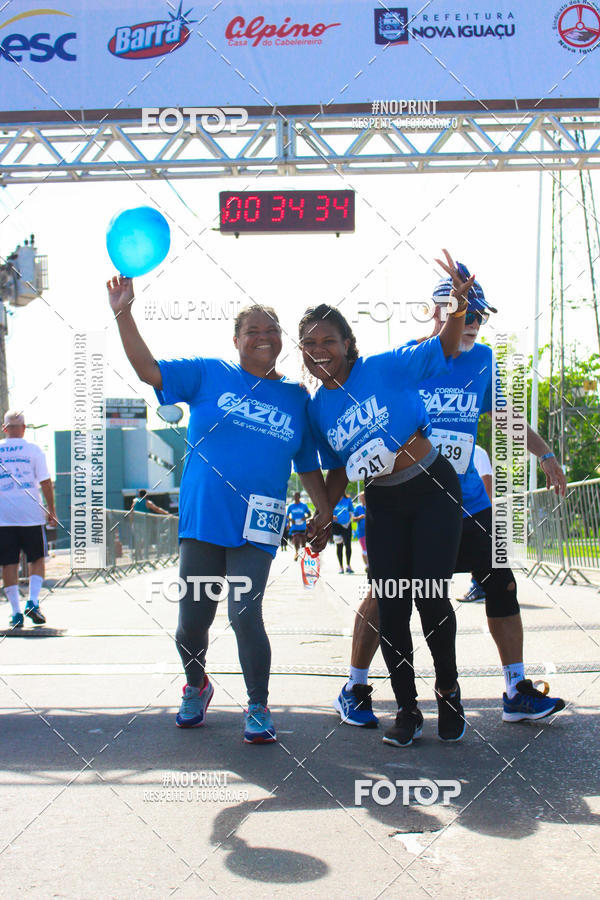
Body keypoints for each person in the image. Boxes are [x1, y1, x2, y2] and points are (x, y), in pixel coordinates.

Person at [333, 264, 567, 729]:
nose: (474, 321)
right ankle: (356, 686)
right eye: (465, 310)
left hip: (467, 503)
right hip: (411, 504)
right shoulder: (409, 359)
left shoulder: (483, 363)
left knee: (501, 584)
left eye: (480, 313)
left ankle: (516, 689)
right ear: (438, 312)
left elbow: (506, 418)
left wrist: (545, 455)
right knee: (388, 594)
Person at [107, 276, 331, 744]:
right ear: (236, 340)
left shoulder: (296, 399)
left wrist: (324, 514)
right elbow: (149, 370)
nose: (264, 336)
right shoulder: (209, 373)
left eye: (272, 329)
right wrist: (123, 312)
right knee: (193, 619)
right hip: (204, 516)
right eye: (253, 330)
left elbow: (309, 466)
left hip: (260, 522)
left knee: (245, 612)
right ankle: (196, 685)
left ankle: (258, 704)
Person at [300, 249, 473, 746]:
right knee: (392, 603)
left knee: (430, 595)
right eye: (309, 344)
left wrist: (457, 308)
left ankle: (448, 691)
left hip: (432, 486)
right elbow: (335, 469)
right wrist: (325, 509)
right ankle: (408, 710)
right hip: (382, 503)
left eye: (328, 341)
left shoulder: (387, 367)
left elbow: (444, 343)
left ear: (348, 343)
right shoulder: (318, 409)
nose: (319, 350)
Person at [0, 410, 57, 628]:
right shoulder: (33, 450)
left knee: (9, 563)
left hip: (4, 517)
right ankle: (33, 601)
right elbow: (45, 481)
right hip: (31, 515)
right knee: (37, 559)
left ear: (5, 429)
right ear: (24, 428)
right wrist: (51, 510)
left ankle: (15, 612)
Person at [461, 445, 492, 602]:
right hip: (447, 510)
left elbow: (487, 481)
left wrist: (486, 510)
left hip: (475, 510)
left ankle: (479, 587)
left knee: (482, 560)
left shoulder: (479, 452)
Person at [332, 491, 354, 573]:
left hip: (347, 525)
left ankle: (348, 565)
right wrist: (332, 516)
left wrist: (349, 519)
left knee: (348, 545)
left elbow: (351, 511)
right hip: (336, 526)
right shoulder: (332, 500)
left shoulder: (347, 500)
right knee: (339, 546)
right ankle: (341, 566)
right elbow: (328, 512)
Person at [286, 491, 310, 561]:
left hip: (302, 526)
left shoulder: (304, 505)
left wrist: (304, 518)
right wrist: (290, 520)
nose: (296, 498)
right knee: (296, 540)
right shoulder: (290, 506)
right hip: (294, 526)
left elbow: (309, 514)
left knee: (303, 542)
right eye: (295, 496)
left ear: (299, 497)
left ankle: (303, 554)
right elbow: (287, 516)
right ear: (294, 497)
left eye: (298, 496)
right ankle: (296, 552)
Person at [353, 492, 368, 574]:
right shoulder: (358, 507)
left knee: (370, 549)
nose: (362, 500)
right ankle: (367, 566)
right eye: (361, 498)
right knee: (365, 549)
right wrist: (360, 517)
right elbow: (354, 519)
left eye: (363, 498)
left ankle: (370, 564)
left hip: (370, 531)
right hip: (361, 532)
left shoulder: (370, 506)